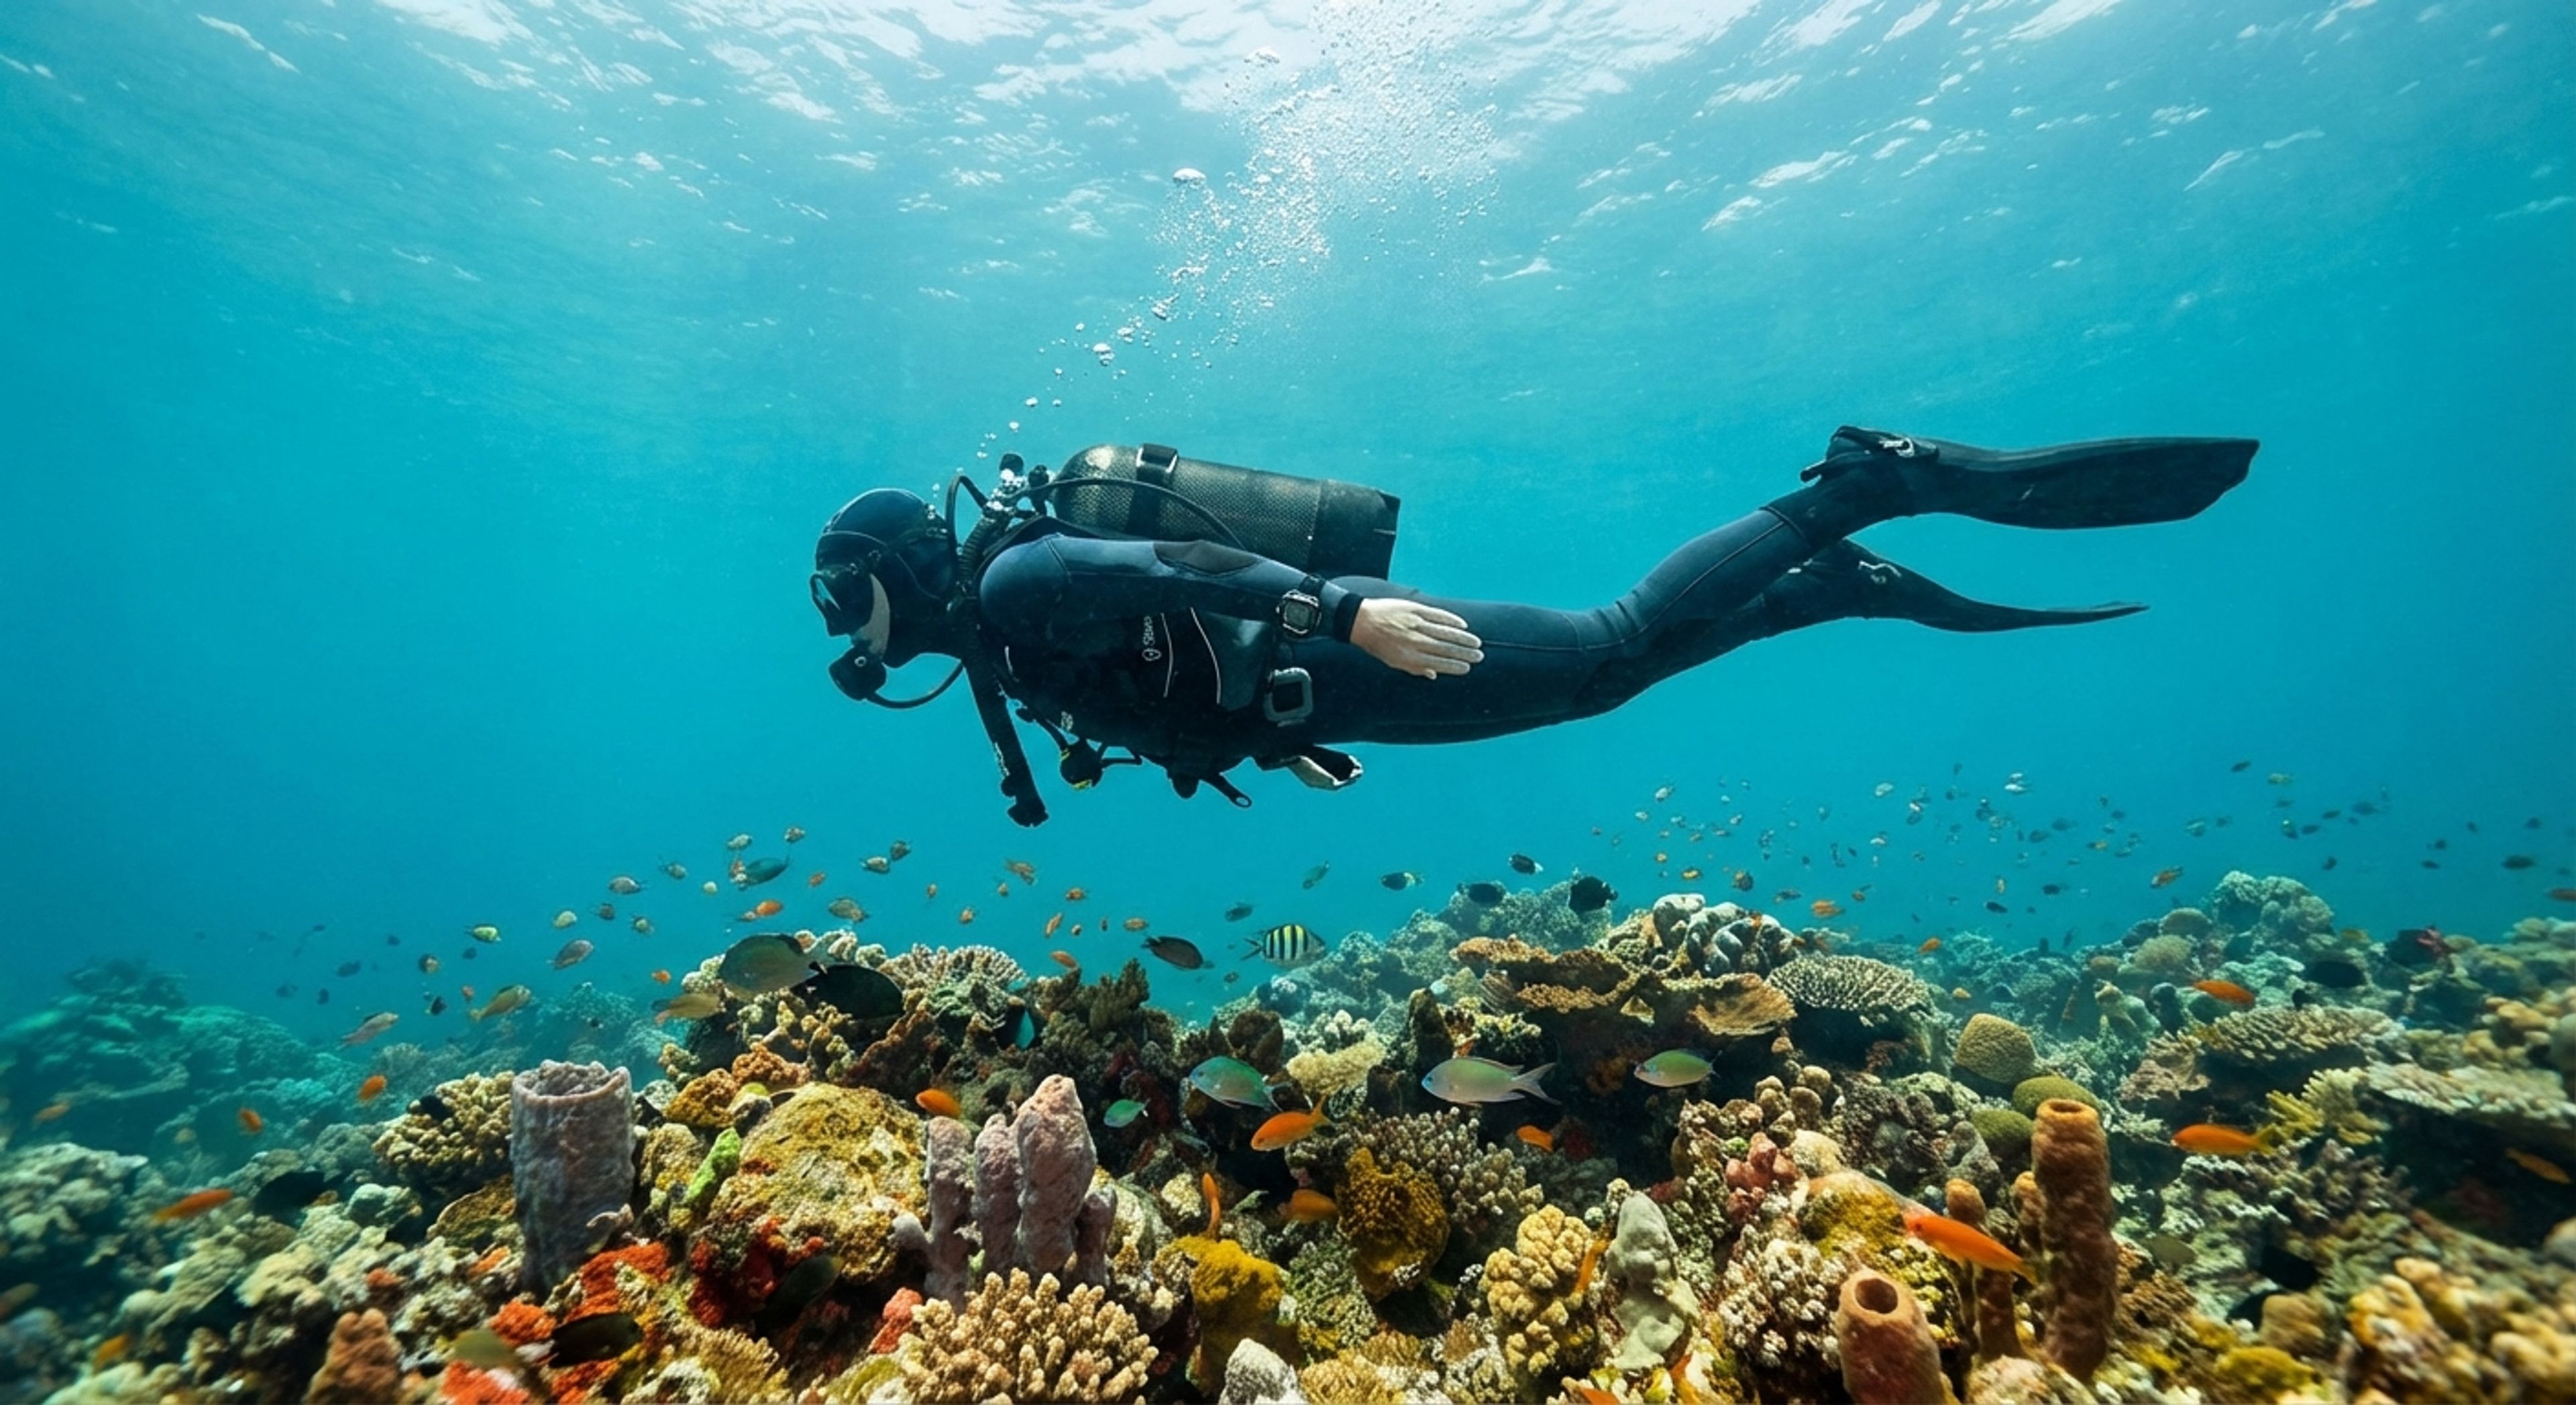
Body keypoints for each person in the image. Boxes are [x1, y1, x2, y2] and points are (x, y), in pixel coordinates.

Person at [810, 426, 2255, 824]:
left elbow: (1182, 564)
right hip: (1314, 690)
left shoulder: (1010, 587)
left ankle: (1860, 491)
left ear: (892, 570)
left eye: (840, 591)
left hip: (1340, 647)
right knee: (1600, 682)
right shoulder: (998, 645)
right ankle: (1829, 585)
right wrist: (1252, 730)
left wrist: (1344, 613)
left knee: (1611, 638)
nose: (845, 628)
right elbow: (1158, 657)